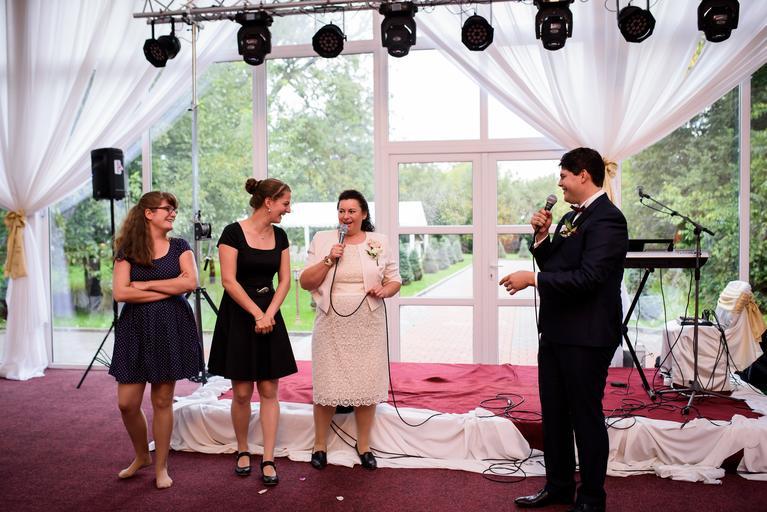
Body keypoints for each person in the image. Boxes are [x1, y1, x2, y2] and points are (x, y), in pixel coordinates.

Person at [499, 148, 628, 512]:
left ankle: (591, 499)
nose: (560, 183)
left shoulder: (609, 219)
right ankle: (557, 486)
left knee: (585, 417)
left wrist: (532, 279)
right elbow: (556, 264)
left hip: (588, 336)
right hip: (556, 331)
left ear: (583, 174)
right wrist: (542, 237)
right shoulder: (571, 217)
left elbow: (588, 278)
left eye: (564, 176)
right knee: (554, 414)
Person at [299, 189, 401, 471]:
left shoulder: (379, 241)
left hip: (368, 323)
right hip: (331, 322)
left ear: (363, 214)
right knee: (327, 383)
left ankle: (364, 445)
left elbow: (395, 280)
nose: (346, 216)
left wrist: (384, 290)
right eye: (342, 211)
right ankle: (320, 445)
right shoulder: (323, 240)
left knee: (366, 383)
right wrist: (328, 259)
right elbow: (306, 282)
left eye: (352, 211)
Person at [109, 191, 204, 490]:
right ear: (149, 213)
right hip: (135, 329)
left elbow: (190, 282)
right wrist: (170, 288)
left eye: (174, 209)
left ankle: (161, 467)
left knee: (162, 400)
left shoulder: (180, 247)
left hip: (170, 326)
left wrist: (145, 284)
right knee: (126, 403)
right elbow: (121, 292)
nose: (173, 213)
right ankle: (142, 455)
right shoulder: (128, 250)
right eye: (167, 208)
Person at [207, 177, 297, 486]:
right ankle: (243, 449)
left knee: (269, 390)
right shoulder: (232, 233)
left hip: (270, 314)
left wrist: (269, 313)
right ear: (268, 202)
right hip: (239, 314)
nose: (288, 209)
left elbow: (285, 280)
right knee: (242, 392)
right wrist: (257, 313)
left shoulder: (280, 235)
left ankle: (268, 458)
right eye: (285, 203)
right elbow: (228, 281)